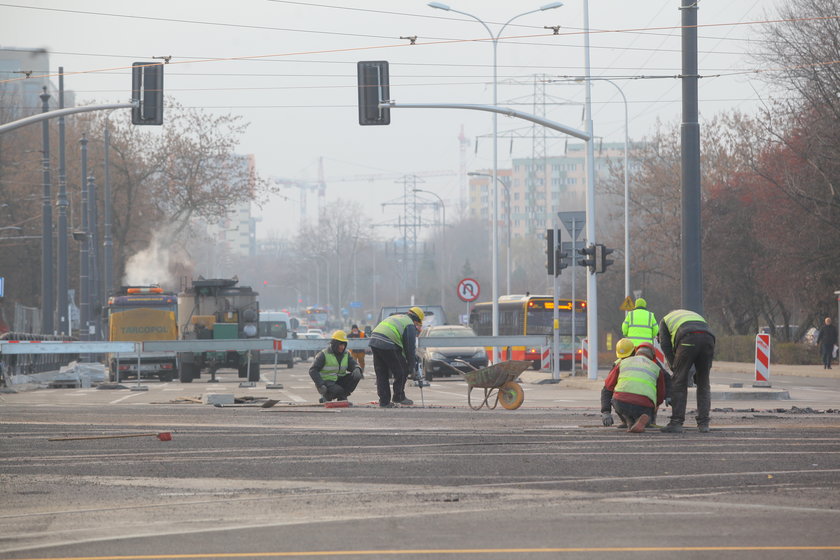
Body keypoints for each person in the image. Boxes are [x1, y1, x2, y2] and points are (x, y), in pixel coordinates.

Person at [658, 309, 716, 433]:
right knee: (704, 383)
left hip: (688, 337)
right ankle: (704, 423)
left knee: (679, 381)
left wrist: (675, 367)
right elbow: (700, 339)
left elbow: (665, 345)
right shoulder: (692, 315)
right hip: (709, 338)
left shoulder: (664, 321)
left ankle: (676, 422)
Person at [601, 342, 671, 433]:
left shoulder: (622, 363)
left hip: (621, 403)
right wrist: (656, 405)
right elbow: (661, 393)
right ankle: (643, 419)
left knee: (618, 398)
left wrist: (606, 412)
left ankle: (629, 422)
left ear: (635, 351)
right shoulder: (656, 367)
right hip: (644, 404)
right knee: (645, 414)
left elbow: (607, 388)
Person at [369, 306, 424, 407]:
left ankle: (384, 402)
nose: (417, 328)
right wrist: (411, 367)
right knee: (402, 370)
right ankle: (399, 396)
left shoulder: (399, 317)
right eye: (418, 325)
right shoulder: (410, 325)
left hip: (374, 340)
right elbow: (409, 348)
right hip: (387, 342)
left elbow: (401, 348)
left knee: (382, 373)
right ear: (417, 320)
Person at [308, 330, 363, 403]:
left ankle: (342, 396)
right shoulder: (324, 354)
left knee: (356, 376)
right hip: (327, 382)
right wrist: (320, 384)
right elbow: (312, 370)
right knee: (338, 390)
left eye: (344, 345)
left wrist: (357, 368)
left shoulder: (346, 354)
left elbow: (352, 364)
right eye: (340, 345)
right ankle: (326, 397)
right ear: (334, 344)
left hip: (340, 380)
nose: (342, 347)